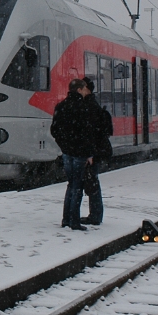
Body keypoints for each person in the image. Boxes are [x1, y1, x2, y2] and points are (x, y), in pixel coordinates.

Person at [50, 78, 96, 231]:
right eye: (84, 89)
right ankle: (74, 221)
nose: (85, 91)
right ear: (79, 90)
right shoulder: (83, 107)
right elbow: (87, 133)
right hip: (80, 153)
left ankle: (66, 219)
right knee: (77, 187)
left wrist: (64, 145)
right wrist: (89, 154)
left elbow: (54, 130)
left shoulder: (61, 106)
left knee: (71, 185)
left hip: (67, 152)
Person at [80, 76, 113, 225]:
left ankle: (95, 216)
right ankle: (95, 215)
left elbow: (91, 133)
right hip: (97, 150)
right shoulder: (92, 104)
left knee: (92, 183)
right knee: (92, 182)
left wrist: (90, 153)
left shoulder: (89, 106)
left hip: (94, 152)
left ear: (86, 88)